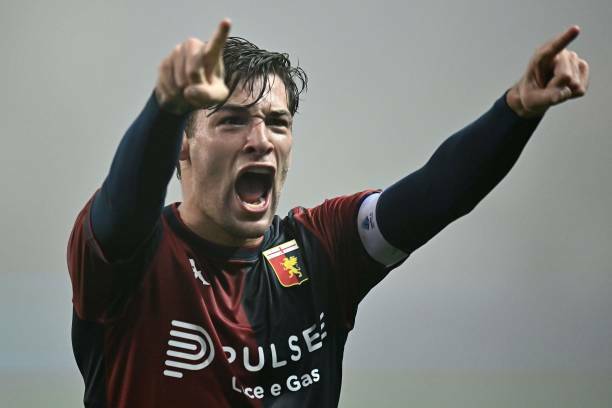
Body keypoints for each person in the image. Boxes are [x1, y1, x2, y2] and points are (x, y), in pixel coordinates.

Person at [67, 19, 589, 408]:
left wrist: (516, 111)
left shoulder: (321, 249)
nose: (260, 140)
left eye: (277, 122)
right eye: (232, 121)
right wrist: (166, 107)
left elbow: (435, 194)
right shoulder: (129, 261)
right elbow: (126, 204)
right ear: (183, 146)